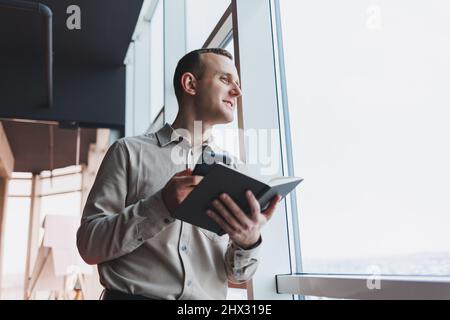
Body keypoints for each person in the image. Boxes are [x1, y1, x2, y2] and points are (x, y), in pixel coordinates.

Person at [76, 48, 281, 300]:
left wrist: (248, 241)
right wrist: (160, 206)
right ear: (190, 84)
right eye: (225, 80)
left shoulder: (236, 171)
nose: (237, 92)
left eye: (237, 84)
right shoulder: (128, 152)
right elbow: (89, 247)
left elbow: (236, 275)